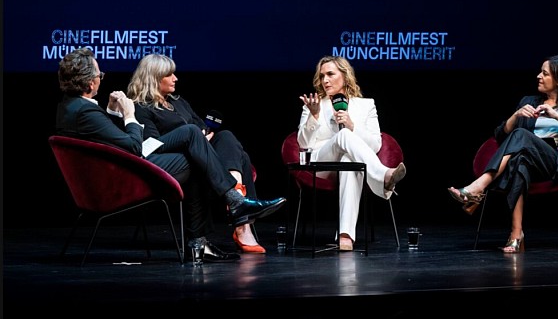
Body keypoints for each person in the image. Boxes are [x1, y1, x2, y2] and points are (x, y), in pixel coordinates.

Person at [55, 48, 285, 262]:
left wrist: (112, 111)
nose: (100, 79)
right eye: (99, 74)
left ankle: (208, 234)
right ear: (88, 80)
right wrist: (129, 114)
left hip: (133, 164)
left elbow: (109, 138)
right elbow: (135, 145)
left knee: (219, 141)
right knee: (194, 143)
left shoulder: (74, 107)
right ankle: (234, 205)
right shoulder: (88, 110)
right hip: (138, 167)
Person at [447, 54, 558, 253]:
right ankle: (516, 234)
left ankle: (479, 187)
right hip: (528, 160)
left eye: (544, 73)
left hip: (555, 161)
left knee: (521, 136)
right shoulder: (529, 101)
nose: (538, 76)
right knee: (520, 162)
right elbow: (499, 137)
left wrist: (557, 117)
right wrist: (515, 116)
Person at [127, 53, 270, 254]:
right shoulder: (141, 108)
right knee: (192, 133)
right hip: (170, 161)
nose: (176, 78)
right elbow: (149, 146)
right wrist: (192, 137)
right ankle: (239, 208)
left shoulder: (178, 102)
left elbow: (200, 126)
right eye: (170, 75)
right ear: (154, 78)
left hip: (200, 153)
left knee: (227, 137)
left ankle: (239, 210)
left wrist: (203, 135)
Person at [297, 55, 406, 251]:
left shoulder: (366, 105)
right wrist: (313, 117)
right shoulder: (315, 104)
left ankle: (345, 236)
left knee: (349, 161)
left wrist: (352, 125)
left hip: (352, 161)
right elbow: (303, 143)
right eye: (322, 76)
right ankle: (383, 175)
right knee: (343, 136)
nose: (325, 80)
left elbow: (375, 144)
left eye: (330, 74)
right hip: (321, 163)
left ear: (345, 76)